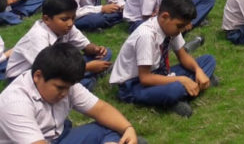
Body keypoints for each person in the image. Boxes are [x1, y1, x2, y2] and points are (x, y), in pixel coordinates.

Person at [0, 43, 140, 143]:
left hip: (57, 137)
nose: (65, 93)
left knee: (113, 128)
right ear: (37, 76)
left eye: (68, 87)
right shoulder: (15, 104)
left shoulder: (67, 85)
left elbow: (100, 109)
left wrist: (128, 129)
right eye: (60, 88)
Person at [109, 0, 217, 117]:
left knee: (208, 60)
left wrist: (198, 70)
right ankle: (184, 93)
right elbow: (145, 78)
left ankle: (189, 89)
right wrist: (181, 80)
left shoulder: (171, 30)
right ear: (165, 16)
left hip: (159, 74)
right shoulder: (146, 36)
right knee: (175, 89)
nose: (182, 30)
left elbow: (183, 56)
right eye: (180, 26)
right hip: (134, 85)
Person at [6, 0, 112, 90]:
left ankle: (83, 79)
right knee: (67, 84)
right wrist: (87, 67)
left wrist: (96, 49)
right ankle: (86, 79)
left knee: (106, 53)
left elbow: (85, 45)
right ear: (46, 19)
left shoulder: (68, 28)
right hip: (27, 76)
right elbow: (49, 70)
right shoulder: (38, 36)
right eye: (64, 19)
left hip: (57, 66)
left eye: (73, 18)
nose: (70, 23)